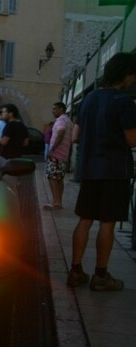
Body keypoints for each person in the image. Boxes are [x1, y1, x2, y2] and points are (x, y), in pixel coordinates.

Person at [67, 52, 136, 291]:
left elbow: (75, 136)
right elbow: (133, 140)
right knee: (107, 224)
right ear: (127, 74)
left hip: (89, 168)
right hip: (115, 171)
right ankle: (101, 275)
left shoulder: (88, 99)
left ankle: (75, 271)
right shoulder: (124, 101)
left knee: (85, 220)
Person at [43, 103, 73, 211]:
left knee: (53, 177)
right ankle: (58, 201)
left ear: (61, 109)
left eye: (55, 109)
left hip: (57, 155)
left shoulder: (61, 120)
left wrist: (52, 149)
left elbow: (60, 132)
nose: (53, 111)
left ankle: (56, 202)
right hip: (63, 155)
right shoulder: (68, 120)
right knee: (59, 178)